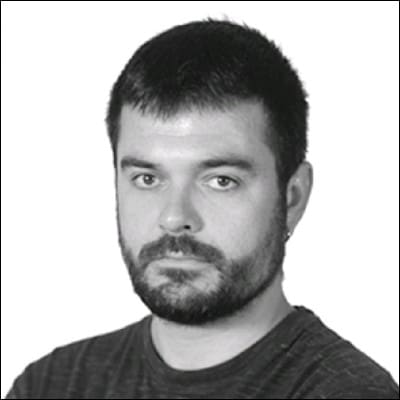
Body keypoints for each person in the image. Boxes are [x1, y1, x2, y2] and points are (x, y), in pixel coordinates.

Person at [6, 18, 399, 399]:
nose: (175, 217)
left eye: (220, 181)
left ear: (292, 197)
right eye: (147, 178)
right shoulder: (51, 385)